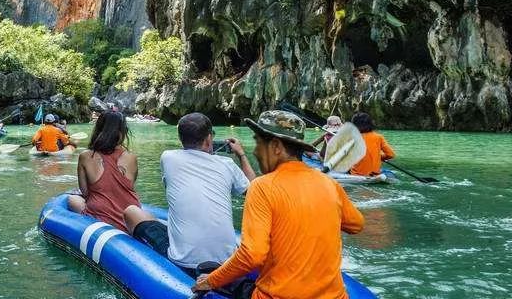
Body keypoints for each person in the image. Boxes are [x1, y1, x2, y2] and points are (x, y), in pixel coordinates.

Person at [192, 110, 365, 299]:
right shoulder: (330, 184)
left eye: (258, 143)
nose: (256, 151)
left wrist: (210, 281)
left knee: (206, 269)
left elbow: (252, 254)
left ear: (276, 146)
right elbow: (356, 224)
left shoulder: (262, 186)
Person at [159, 113, 256, 274]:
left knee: (134, 214)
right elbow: (255, 190)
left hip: (184, 262)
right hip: (225, 262)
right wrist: (241, 154)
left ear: (181, 138)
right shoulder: (227, 164)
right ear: (209, 139)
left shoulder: (168, 158)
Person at [67, 111, 166, 254]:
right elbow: (128, 186)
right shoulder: (131, 157)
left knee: (71, 198)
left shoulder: (85, 156)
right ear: (122, 131)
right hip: (130, 217)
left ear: (99, 130)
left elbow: (86, 192)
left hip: (101, 215)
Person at [349, 112, 395, 176]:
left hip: (356, 174)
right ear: (370, 124)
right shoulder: (379, 137)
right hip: (375, 174)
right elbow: (391, 154)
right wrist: (380, 157)